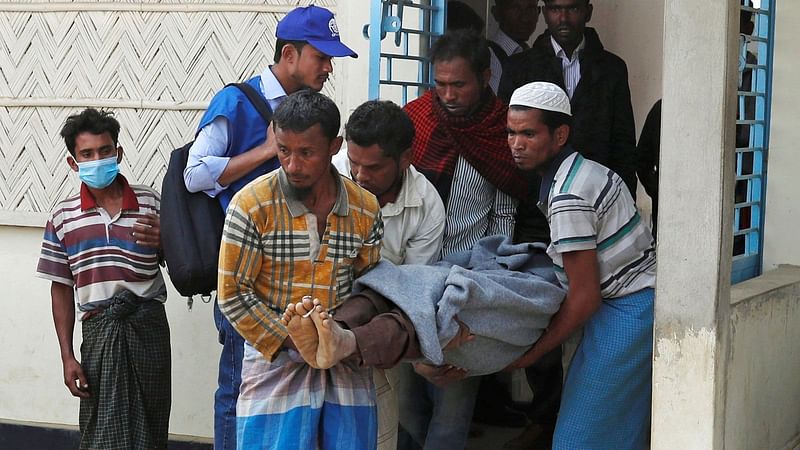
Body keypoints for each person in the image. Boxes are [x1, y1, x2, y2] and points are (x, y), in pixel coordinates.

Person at [181, 6, 358, 448]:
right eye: (322, 57)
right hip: (244, 273)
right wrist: (265, 150)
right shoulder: (238, 101)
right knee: (239, 384)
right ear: (290, 54)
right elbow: (194, 173)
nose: (329, 67)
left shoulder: (316, 111)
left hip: (297, 277)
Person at [217, 90, 384, 450]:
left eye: (306, 152)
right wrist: (296, 340)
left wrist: (335, 338)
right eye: (283, 151)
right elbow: (233, 295)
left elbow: (370, 290)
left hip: (343, 359)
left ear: (334, 146)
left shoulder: (365, 209)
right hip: (273, 362)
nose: (292, 165)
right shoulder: (251, 204)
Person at [505, 81, 656, 450]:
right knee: (618, 432)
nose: (517, 144)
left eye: (529, 133)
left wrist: (534, 353)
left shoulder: (568, 194)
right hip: (636, 307)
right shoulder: (586, 171)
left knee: (578, 439)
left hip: (626, 314)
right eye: (510, 132)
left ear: (560, 135)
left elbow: (586, 297)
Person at [400, 29, 527, 450]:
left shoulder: (504, 130)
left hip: (465, 282)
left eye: (459, 84)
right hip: (408, 279)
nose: (448, 95)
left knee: (453, 405)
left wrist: (491, 278)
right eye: (441, 84)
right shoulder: (414, 120)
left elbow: (506, 208)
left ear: (486, 78)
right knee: (407, 400)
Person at [35, 108, 170, 449]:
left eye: (105, 151)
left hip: (148, 328)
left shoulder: (152, 204)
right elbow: (61, 289)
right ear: (73, 162)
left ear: (118, 153)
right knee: (100, 427)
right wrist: (67, 356)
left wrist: (166, 241)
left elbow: (182, 264)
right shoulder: (63, 217)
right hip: (98, 331)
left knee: (152, 424)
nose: (98, 159)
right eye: (87, 154)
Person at [333, 99, 446, 450]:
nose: (360, 176)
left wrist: (420, 358)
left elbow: (410, 292)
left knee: (378, 435)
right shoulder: (328, 176)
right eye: (354, 163)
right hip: (319, 320)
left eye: (374, 167)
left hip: (378, 334)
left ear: (404, 159)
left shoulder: (426, 204)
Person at [498, 0, 638, 197]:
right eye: (555, 9)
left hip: (597, 196)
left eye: (572, 8)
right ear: (545, 13)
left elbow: (623, 142)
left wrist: (623, 198)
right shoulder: (519, 68)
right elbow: (506, 137)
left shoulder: (611, 68)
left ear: (587, 12)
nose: (563, 18)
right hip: (533, 202)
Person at [488, 0, 540, 93]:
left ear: (539, 12)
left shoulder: (533, 54)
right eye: (515, 8)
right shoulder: (488, 57)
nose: (525, 18)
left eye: (530, 9)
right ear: (496, 13)